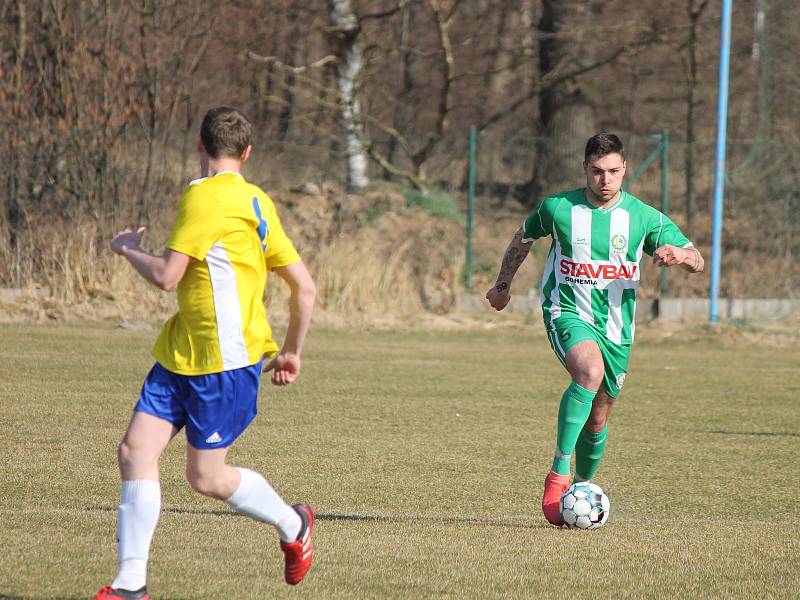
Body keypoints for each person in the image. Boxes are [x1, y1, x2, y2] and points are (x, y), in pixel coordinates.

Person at [94, 106, 317, 599]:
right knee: (134, 452)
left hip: (224, 361)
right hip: (181, 352)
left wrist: (127, 247)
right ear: (248, 153)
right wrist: (292, 351)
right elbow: (305, 287)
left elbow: (166, 277)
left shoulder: (203, 196)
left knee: (207, 477)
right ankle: (130, 584)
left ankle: (293, 523)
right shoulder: (258, 201)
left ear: (200, 145)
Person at [485, 133, 704, 526]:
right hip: (565, 311)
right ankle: (558, 474)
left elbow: (697, 259)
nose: (606, 179)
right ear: (585, 168)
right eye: (598, 171)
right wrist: (503, 285)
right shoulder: (558, 208)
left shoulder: (644, 217)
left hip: (617, 327)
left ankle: (582, 488)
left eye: (614, 172)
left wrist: (680, 255)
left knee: (600, 415)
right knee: (589, 371)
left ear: (625, 170)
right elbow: (523, 238)